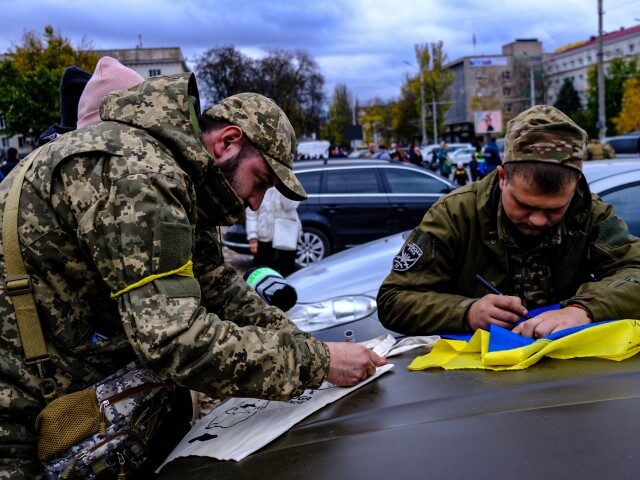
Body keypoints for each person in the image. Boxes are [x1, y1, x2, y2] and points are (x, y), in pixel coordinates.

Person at [0, 73, 385, 477]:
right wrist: (317, 362)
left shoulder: (173, 171)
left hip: (54, 386)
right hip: (19, 408)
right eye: (261, 182)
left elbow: (215, 285)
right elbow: (173, 340)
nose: (256, 205)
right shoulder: (140, 177)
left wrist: (301, 343)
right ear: (228, 142)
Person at [377, 105, 640, 340]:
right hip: (475, 379)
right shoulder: (456, 214)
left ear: (574, 188)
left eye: (555, 210)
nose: (538, 220)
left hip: (567, 375)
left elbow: (635, 271)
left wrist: (583, 310)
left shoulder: (590, 213)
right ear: (503, 178)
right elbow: (394, 301)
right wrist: (466, 312)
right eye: (525, 205)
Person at [247, 186, 301, 277]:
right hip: (264, 236)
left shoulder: (290, 183)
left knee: (288, 270)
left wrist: (283, 186)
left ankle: (286, 290)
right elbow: (251, 214)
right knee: (261, 270)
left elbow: (290, 206)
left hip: (286, 234)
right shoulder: (260, 185)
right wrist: (252, 237)